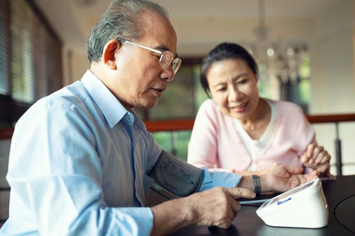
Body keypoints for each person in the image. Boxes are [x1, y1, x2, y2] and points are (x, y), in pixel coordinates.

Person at [0, 1, 318, 236]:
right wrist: (191, 209)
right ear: (112, 54)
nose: (169, 74)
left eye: (174, 62)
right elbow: (82, 230)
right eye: (161, 57)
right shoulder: (59, 119)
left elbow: (189, 181)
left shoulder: (132, 128)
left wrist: (264, 180)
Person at [188, 42, 332, 177]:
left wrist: (319, 169)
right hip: (235, 204)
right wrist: (262, 177)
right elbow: (197, 175)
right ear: (211, 93)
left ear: (256, 78)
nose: (235, 96)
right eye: (222, 88)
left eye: (242, 81)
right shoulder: (211, 113)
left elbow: (311, 172)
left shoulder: (291, 113)